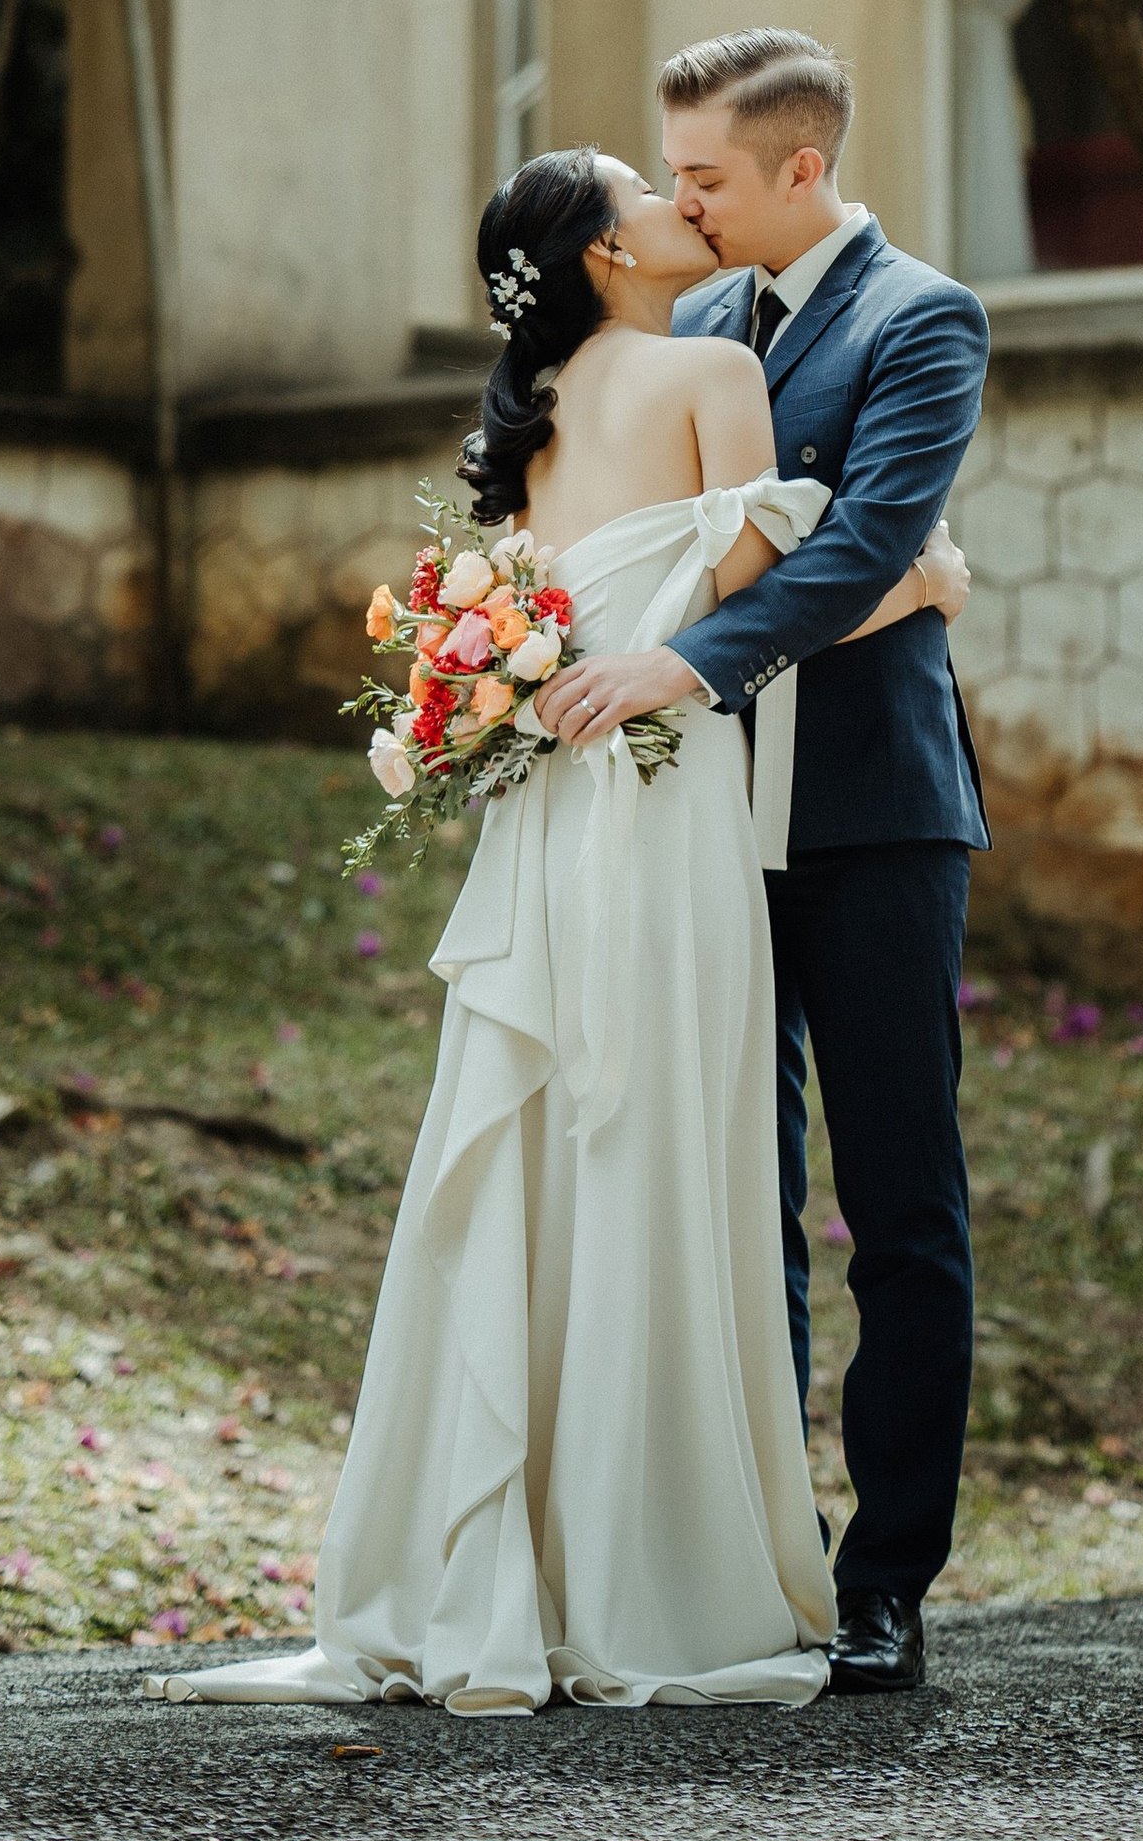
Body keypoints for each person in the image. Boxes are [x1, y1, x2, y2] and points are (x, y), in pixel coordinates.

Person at [147, 144, 968, 1715]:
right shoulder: (712, 363)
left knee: (543, 1157)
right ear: (605, 251)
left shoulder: (529, 429)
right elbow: (762, 596)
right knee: (665, 1150)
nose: (680, 207)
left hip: (553, 823)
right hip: (664, 821)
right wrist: (926, 580)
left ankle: (503, 1554)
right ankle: (650, 1563)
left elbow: (577, 615)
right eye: (648, 193)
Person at [534, 29, 990, 1699]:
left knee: (899, 1208)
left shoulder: (926, 318)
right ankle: (760, 1558)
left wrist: (685, 659)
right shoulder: (690, 325)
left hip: (873, 818)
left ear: (804, 167)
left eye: (708, 178)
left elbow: (871, 535)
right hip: (698, 826)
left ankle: (885, 1585)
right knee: (733, 1199)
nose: (684, 204)